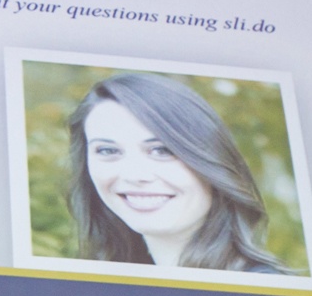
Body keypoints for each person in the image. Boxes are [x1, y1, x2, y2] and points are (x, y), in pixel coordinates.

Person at [66, 72, 293, 274]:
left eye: (161, 150)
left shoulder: (265, 295)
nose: (134, 175)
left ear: (211, 160)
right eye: (107, 150)